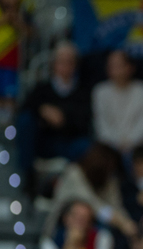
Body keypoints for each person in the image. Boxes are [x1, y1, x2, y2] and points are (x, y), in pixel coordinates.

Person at [17, 42, 92, 174]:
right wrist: (43, 110)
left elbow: (84, 122)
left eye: (69, 62)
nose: (65, 66)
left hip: (70, 142)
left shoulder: (83, 91)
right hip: (45, 142)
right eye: (61, 62)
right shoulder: (42, 89)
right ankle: (28, 177)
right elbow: (25, 108)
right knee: (25, 121)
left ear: (75, 65)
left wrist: (63, 119)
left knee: (87, 146)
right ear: (54, 65)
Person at [92, 50, 143, 155]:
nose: (115, 70)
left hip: (138, 146)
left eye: (119, 65)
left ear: (130, 67)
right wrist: (117, 143)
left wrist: (129, 143)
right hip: (109, 147)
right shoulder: (100, 91)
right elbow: (101, 126)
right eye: (111, 66)